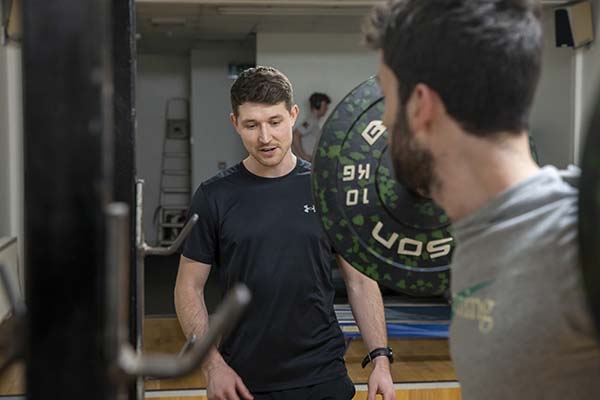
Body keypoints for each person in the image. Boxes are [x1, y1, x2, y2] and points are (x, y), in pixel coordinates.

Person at [363, 0, 600, 399]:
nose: (384, 121)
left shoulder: (574, 239)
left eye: (386, 96)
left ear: (420, 106)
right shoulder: (477, 235)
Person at [175, 67, 395, 400]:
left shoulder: (326, 190)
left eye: (275, 122)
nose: (265, 137)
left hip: (323, 374)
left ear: (292, 116)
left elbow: (360, 281)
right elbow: (188, 287)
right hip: (244, 381)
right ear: (235, 123)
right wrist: (212, 366)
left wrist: (380, 358)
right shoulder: (214, 196)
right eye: (252, 125)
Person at [292, 92, 331, 161]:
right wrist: (304, 156)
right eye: (325, 105)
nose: (326, 108)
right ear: (317, 105)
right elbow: (295, 135)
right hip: (307, 161)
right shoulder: (310, 121)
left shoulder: (314, 121)